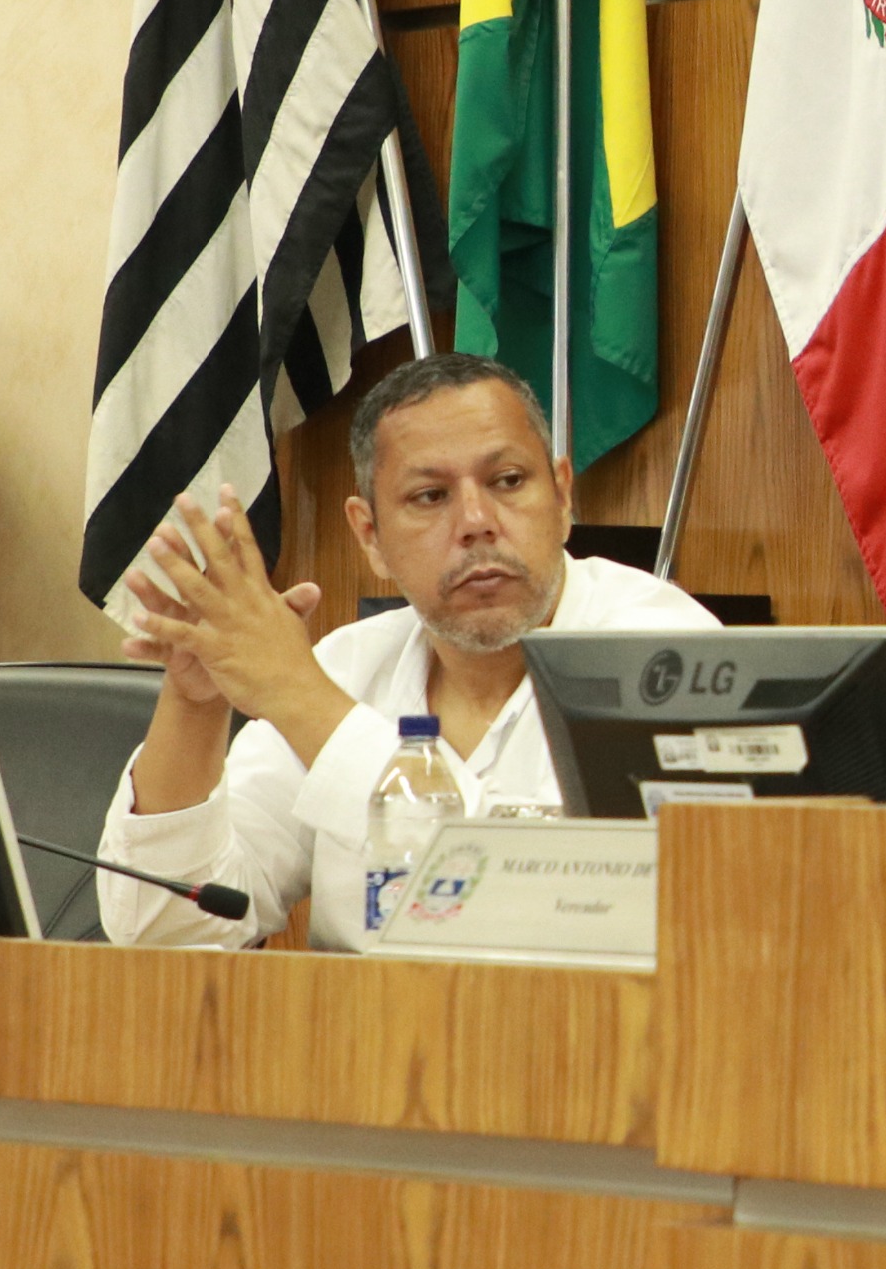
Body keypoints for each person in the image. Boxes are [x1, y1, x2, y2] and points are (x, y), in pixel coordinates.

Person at [95, 350, 715, 949]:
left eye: (507, 481)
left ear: (561, 495)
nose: (476, 520)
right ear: (370, 535)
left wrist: (299, 698)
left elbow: (571, 914)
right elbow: (163, 928)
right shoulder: (350, 667)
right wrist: (197, 701)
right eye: (430, 496)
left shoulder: (663, 654)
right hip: (362, 1021)